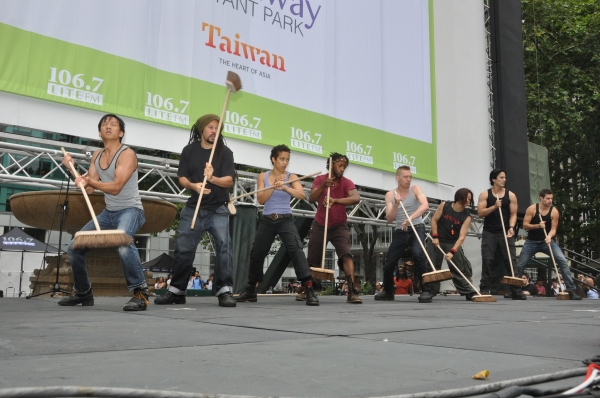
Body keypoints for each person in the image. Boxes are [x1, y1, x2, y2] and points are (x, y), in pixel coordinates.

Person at [59, 114, 148, 311]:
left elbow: (116, 187)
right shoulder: (97, 156)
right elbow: (89, 189)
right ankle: (83, 292)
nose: (108, 126)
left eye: (113, 124)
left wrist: (90, 182)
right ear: (100, 132)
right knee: (74, 247)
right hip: (109, 213)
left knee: (123, 243)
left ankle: (140, 293)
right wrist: (73, 171)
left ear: (121, 133)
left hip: (131, 210)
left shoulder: (127, 154)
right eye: (104, 124)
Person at [154, 114, 236, 307]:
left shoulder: (225, 152)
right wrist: (194, 186)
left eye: (217, 127)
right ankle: (176, 291)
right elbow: (181, 177)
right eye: (210, 127)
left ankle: (224, 291)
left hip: (218, 209)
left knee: (224, 248)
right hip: (194, 208)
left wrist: (213, 178)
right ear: (201, 130)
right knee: (183, 249)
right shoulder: (189, 151)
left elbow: (228, 181)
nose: (214, 130)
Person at [236, 145, 319, 305]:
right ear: (273, 159)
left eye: (287, 159)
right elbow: (261, 199)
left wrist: (285, 188)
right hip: (267, 219)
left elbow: (301, 195)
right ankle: (251, 289)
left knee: (296, 249)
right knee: (257, 252)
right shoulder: (263, 176)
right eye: (282, 159)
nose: (285, 162)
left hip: (285, 219)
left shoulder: (291, 176)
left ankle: (309, 289)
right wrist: (274, 187)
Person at [306, 153, 362, 304]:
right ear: (332, 164)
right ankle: (309, 290)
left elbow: (356, 198)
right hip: (320, 223)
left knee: (346, 254)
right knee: (312, 258)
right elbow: (311, 198)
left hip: (339, 225)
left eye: (344, 166)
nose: (342, 169)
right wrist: (324, 185)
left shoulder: (346, 182)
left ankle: (351, 291)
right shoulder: (320, 179)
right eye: (340, 165)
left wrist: (336, 200)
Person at [375, 166, 432, 303]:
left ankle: (426, 290)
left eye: (410, 177)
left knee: (418, 254)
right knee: (389, 263)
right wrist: (396, 204)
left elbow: (425, 206)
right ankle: (388, 292)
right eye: (406, 177)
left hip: (416, 227)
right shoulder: (390, 194)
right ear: (397, 178)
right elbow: (389, 218)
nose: (409, 179)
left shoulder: (415, 189)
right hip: (400, 231)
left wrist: (411, 218)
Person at [514, 189, 581, 300]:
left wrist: (549, 237)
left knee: (563, 261)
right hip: (531, 242)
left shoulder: (554, 211)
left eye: (551, 198)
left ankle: (571, 290)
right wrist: (538, 226)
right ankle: (515, 290)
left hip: (547, 241)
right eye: (548, 198)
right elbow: (525, 225)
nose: (550, 201)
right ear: (541, 198)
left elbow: (554, 228)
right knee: (520, 265)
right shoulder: (532, 209)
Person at [477, 169, 523, 299]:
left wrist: (512, 227)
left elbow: (514, 214)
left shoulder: (511, 195)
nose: (504, 180)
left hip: (505, 231)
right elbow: (480, 213)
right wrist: (494, 207)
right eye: (501, 177)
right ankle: (485, 288)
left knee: (510, 260)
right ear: (494, 179)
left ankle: (515, 289)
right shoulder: (485, 194)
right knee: (487, 260)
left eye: (505, 177)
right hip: (489, 232)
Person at [430, 188, 478, 301]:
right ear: (459, 197)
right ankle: (429, 290)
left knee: (459, 267)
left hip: (453, 242)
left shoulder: (467, 216)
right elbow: (434, 220)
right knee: (432, 265)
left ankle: (468, 291)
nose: (468, 201)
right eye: (466, 198)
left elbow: (462, 237)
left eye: (470, 199)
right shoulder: (444, 205)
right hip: (438, 240)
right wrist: (435, 236)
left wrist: (452, 251)